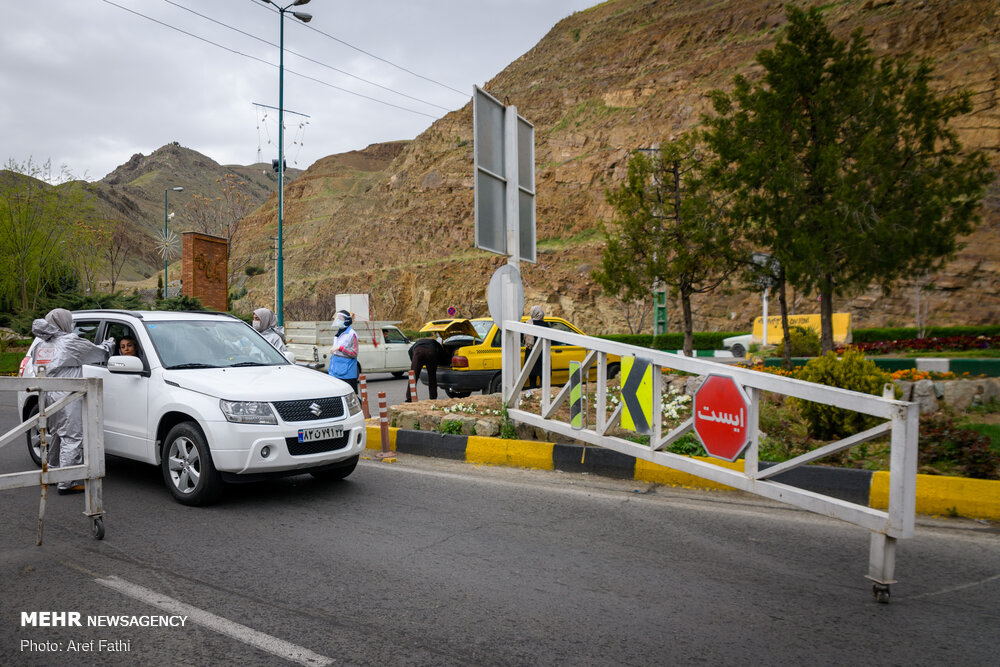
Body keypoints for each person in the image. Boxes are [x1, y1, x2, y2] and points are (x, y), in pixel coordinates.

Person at [31, 308, 115, 495]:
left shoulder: (42, 344)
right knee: (72, 437)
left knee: (55, 434)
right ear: (64, 321)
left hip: (47, 393)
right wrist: (109, 344)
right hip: (66, 394)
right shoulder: (69, 341)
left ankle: (52, 472)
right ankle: (66, 482)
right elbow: (97, 353)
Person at [405, 336, 447, 402]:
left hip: (418, 352)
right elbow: (442, 353)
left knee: (413, 377)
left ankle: (409, 398)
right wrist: (444, 362)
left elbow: (410, 351)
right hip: (431, 352)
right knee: (432, 377)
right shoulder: (435, 342)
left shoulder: (417, 342)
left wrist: (414, 363)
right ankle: (433, 397)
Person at [328, 310, 359, 392]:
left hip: (347, 374)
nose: (337, 320)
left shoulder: (352, 334)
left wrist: (340, 348)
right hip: (335, 371)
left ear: (346, 320)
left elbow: (354, 353)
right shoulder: (338, 333)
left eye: (340, 318)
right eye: (337, 318)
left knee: (351, 398)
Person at [524, 305, 550, 389]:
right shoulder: (545, 325)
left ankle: (532, 394)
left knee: (532, 379)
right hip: (543, 354)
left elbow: (523, 339)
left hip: (530, 353)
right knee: (544, 378)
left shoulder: (527, 324)